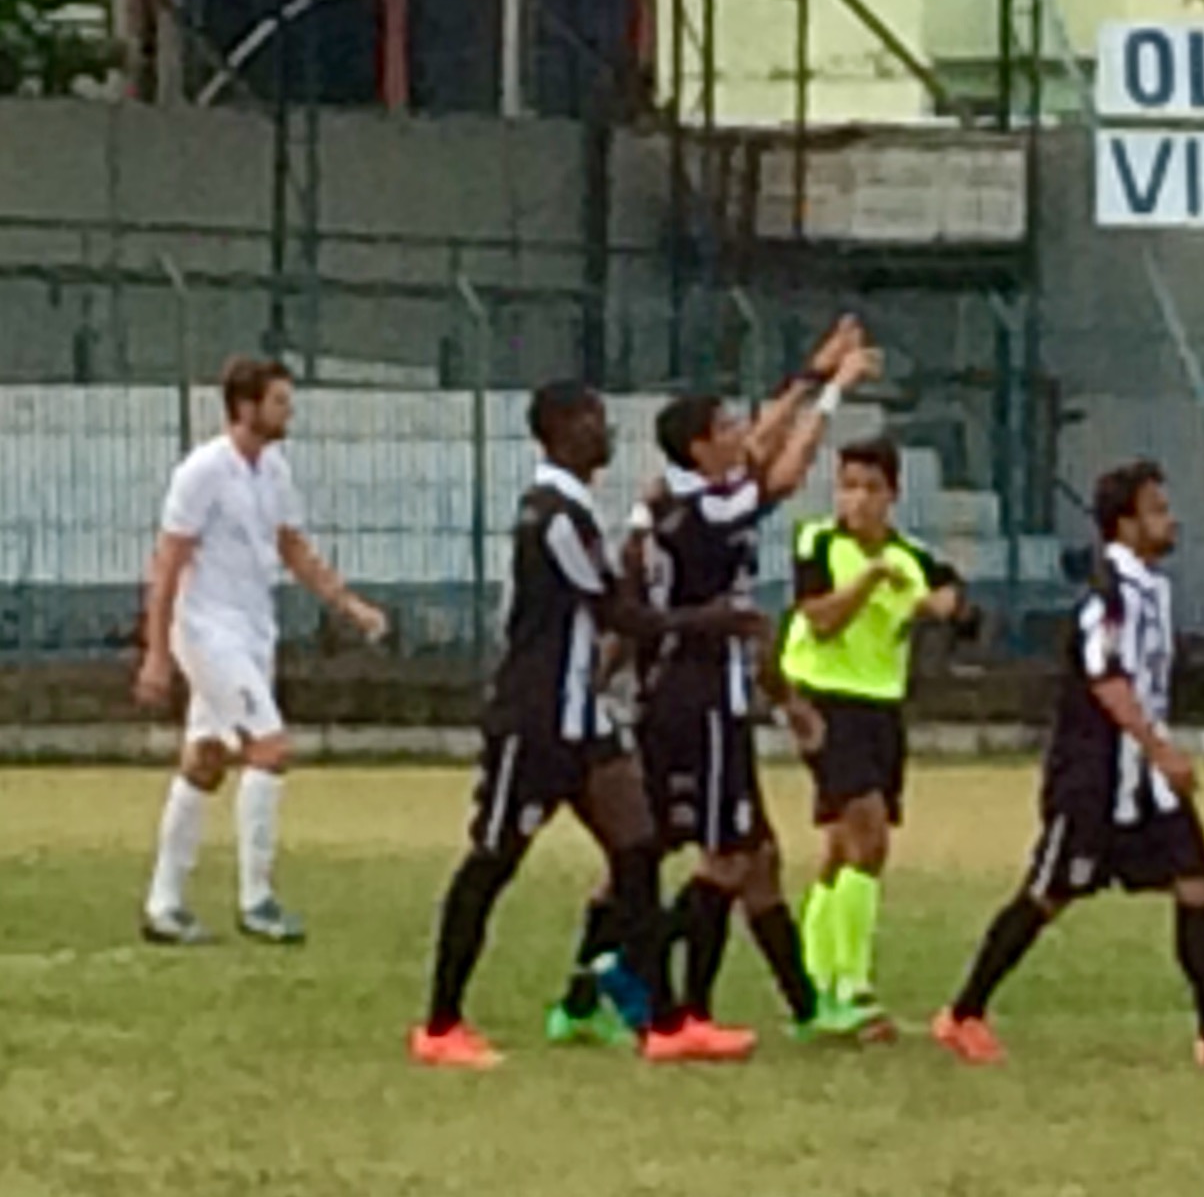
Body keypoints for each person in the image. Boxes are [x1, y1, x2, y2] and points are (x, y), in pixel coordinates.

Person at [408, 381, 763, 1071]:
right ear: (562, 431)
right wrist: (708, 619)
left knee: (636, 851)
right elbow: (618, 613)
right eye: (595, 422)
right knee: (491, 862)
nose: (607, 434)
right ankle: (440, 1024)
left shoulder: (572, 510)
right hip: (534, 723)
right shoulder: (553, 515)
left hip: (583, 724)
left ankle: (664, 1023)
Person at [545, 324, 875, 1050]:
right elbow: (779, 474)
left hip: (673, 698)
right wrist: (835, 391)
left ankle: (786, 1003)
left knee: (737, 855)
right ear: (700, 447)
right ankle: (634, 976)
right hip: (699, 704)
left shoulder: (670, 497)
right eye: (724, 427)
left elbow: (755, 453)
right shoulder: (711, 510)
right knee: (727, 855)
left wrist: (804, 375)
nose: (740, 434)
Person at [930, 461, 1204, 1070]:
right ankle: (963, 1012)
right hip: (1096, 777)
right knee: (1049, 893)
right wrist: (1161, 748)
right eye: (1156, 509)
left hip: (1145, 782)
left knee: (1197, 881)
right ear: (1124, 524)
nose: (1169, 519)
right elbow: (1106, 679)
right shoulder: (1109, 597)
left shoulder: (1152, 588)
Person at [136, 355, 388, 946]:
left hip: (252, 632)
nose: (288, 411)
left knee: (204, 760)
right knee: (270, 748)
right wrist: (156, 652)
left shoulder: (273, 469)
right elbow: (167, 563)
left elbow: (293, 546)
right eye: (278, 401)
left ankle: (163, 905)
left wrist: (348, 604)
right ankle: (257, 900)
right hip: (207, 631)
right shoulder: (202, 471)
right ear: (246, 407)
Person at [779, 437, 969, 1041]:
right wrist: (870, 580)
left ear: (892, 495)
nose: (856, 500)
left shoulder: (911, 555)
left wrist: (946, 606)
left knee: (842, 845)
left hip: (880, 706)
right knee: (871, 835)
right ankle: (854, 985)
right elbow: (820, 619)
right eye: (847, 486)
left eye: (869, 488)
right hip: (823, 699)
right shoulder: (818, 543)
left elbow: (954, 598)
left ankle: (816, 977)